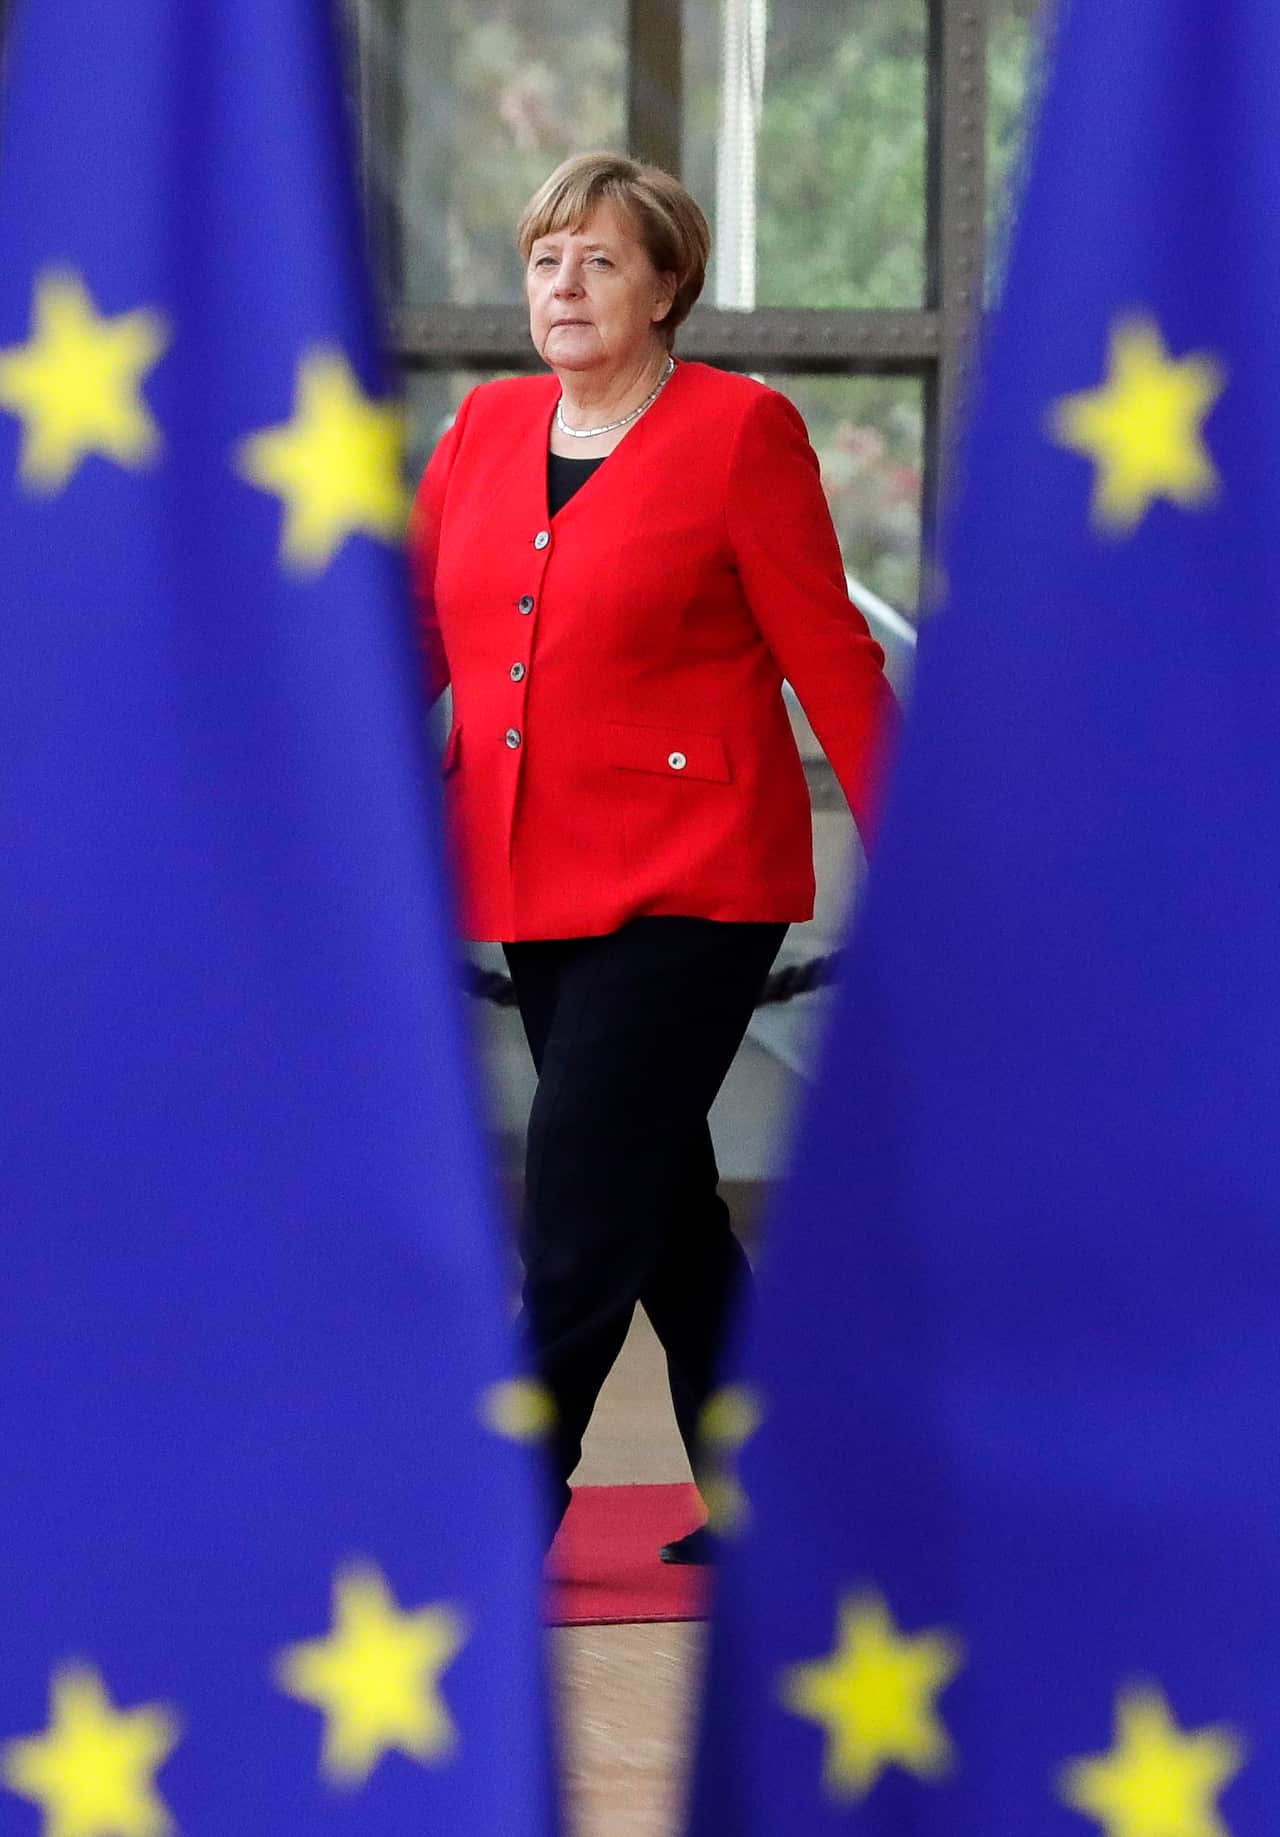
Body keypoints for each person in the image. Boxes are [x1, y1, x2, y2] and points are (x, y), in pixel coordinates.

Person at [411, 151, 898, 1561]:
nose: (564, 287)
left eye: (600, 261)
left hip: (697, 874)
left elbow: (833, 656)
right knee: (660, 1200)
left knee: (575, 1179)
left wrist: (924, 864)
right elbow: (415, 646)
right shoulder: (482, 433)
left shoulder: (743, 433)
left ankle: (500, 1505)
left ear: (667, 285)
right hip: (530, 866)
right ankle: (783, 1505)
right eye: (546, 261)